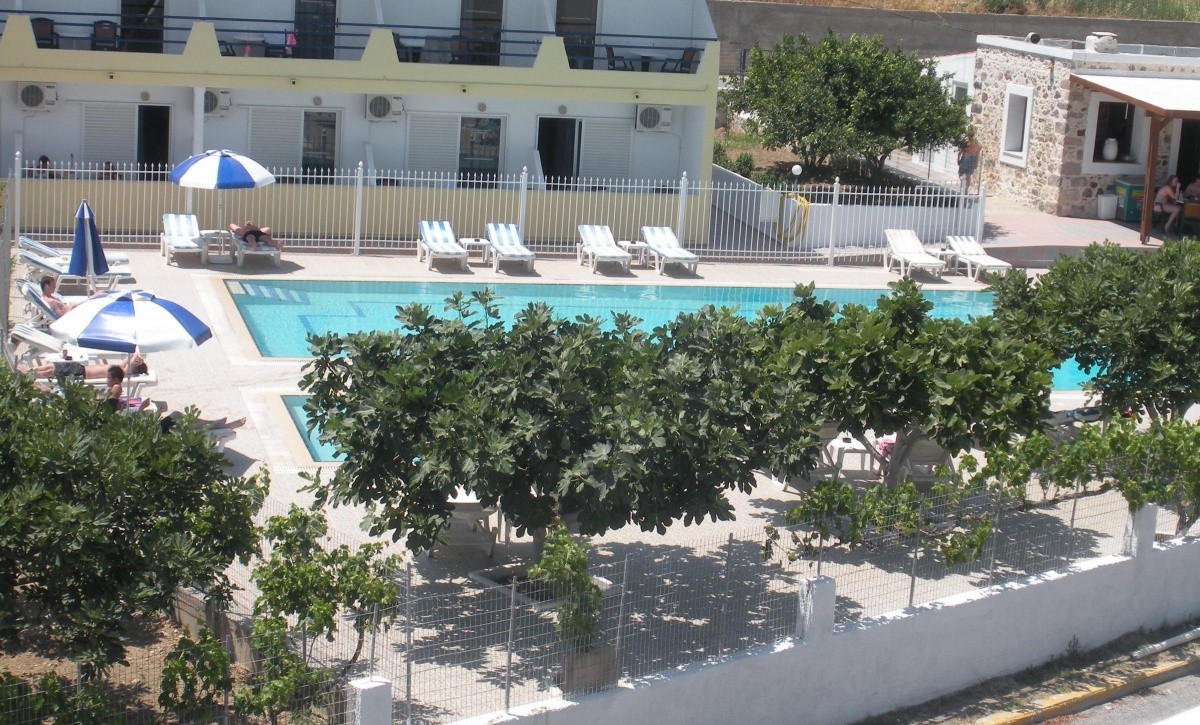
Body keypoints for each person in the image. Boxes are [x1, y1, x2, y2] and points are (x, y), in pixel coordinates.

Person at [25, 352, 149, 382]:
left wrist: (136, 360)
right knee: (50, 365)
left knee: (50, 372)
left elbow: (132, 360)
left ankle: (25, 375)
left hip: (81, 373)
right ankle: (26, 372)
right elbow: (132, 354)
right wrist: (137, 357)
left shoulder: (123, 373)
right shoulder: (120, 366)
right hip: (79, 366)